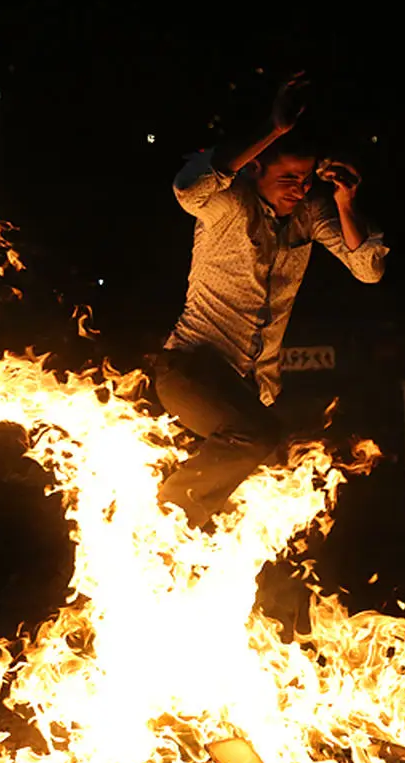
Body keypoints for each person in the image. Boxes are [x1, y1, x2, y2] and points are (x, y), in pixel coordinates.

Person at [155, 72, 390, 531]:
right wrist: (274, 129)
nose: (299, 189)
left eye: (305, 179)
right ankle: (164, 517)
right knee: (254, 435)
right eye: (288, 177)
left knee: (269, 468)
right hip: (189, 368)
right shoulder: (229, 205)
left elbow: (369, 270)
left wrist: (345, 200)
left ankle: (194, 548)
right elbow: (189, 188)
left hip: (251, 388)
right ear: (256, 169)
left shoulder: (309, 213)